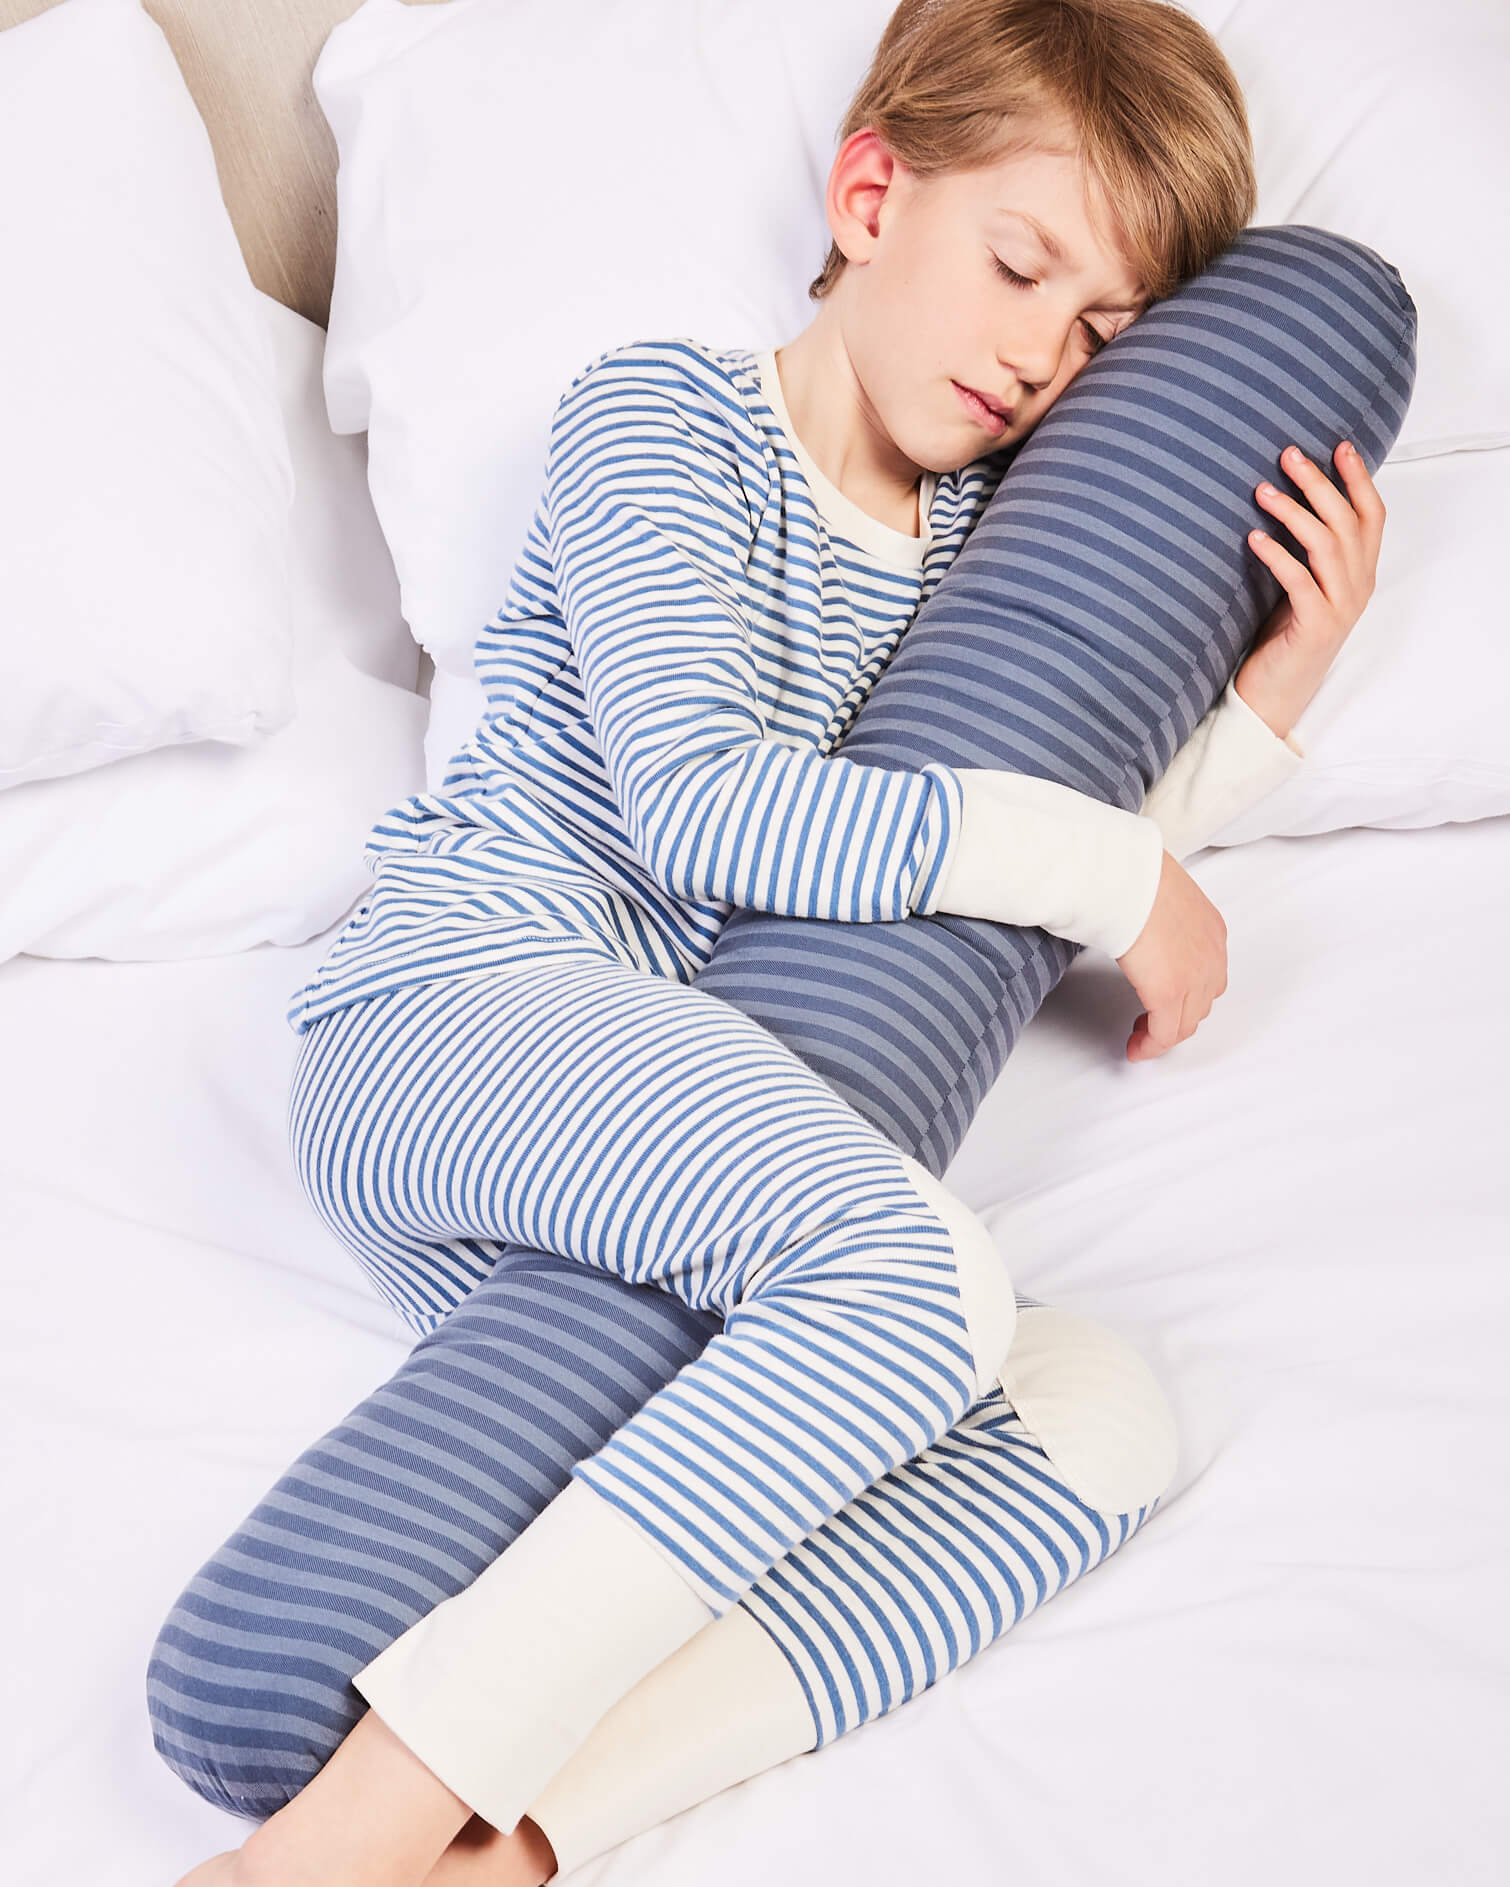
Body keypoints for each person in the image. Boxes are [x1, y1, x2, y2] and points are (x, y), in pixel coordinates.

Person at [168, 2, 1385, 1882]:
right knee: (909, 1282)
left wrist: (1267, 706)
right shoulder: (665, 421)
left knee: (1101, 1409)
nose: (1036, 355)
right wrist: (1117, 884)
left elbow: (997, 881)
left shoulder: (994, 536)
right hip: (471, 1012)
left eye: (1094, 334)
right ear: (872, 191)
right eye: (1016, 266)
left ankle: (526, 1834)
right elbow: (709, 809)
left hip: (673, 1131)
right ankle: (328, 1849)